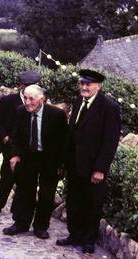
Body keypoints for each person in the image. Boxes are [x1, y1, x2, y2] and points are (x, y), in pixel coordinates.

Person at [56, 69, 121, 254]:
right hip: (74, 164)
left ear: (98, 86)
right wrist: (63, 161)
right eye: (82, 83)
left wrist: (100, 169)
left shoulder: (109, 107)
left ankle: (88, 240)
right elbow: (72, 133)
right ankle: (74, 234)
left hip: (93, 168)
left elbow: (110, 141)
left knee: (92, 204)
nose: (84, 87)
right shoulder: (78, 102)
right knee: (74, 200)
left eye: (88, 84)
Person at [2, 85, 67, 240]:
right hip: (28, 156)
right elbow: (15, 136)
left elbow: (64, 142)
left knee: (46, 193)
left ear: (42, 99)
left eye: (31, 98)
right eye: (25, 97)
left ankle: (41, 227)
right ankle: (20, 223)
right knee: (24, 190)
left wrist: (61, 165)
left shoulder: (56, 115)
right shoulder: (20, 111)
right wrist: (15, 155)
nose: (27, 102)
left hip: (49, 158)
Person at [0, 71, 42, 216]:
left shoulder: (39, 100)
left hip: (29, 148)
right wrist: (4, 136)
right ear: (21, 86)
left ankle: (18, 209)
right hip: (10, 146)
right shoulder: (8, 101)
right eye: (27, 86)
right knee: (7, 176)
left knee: (25, 179)